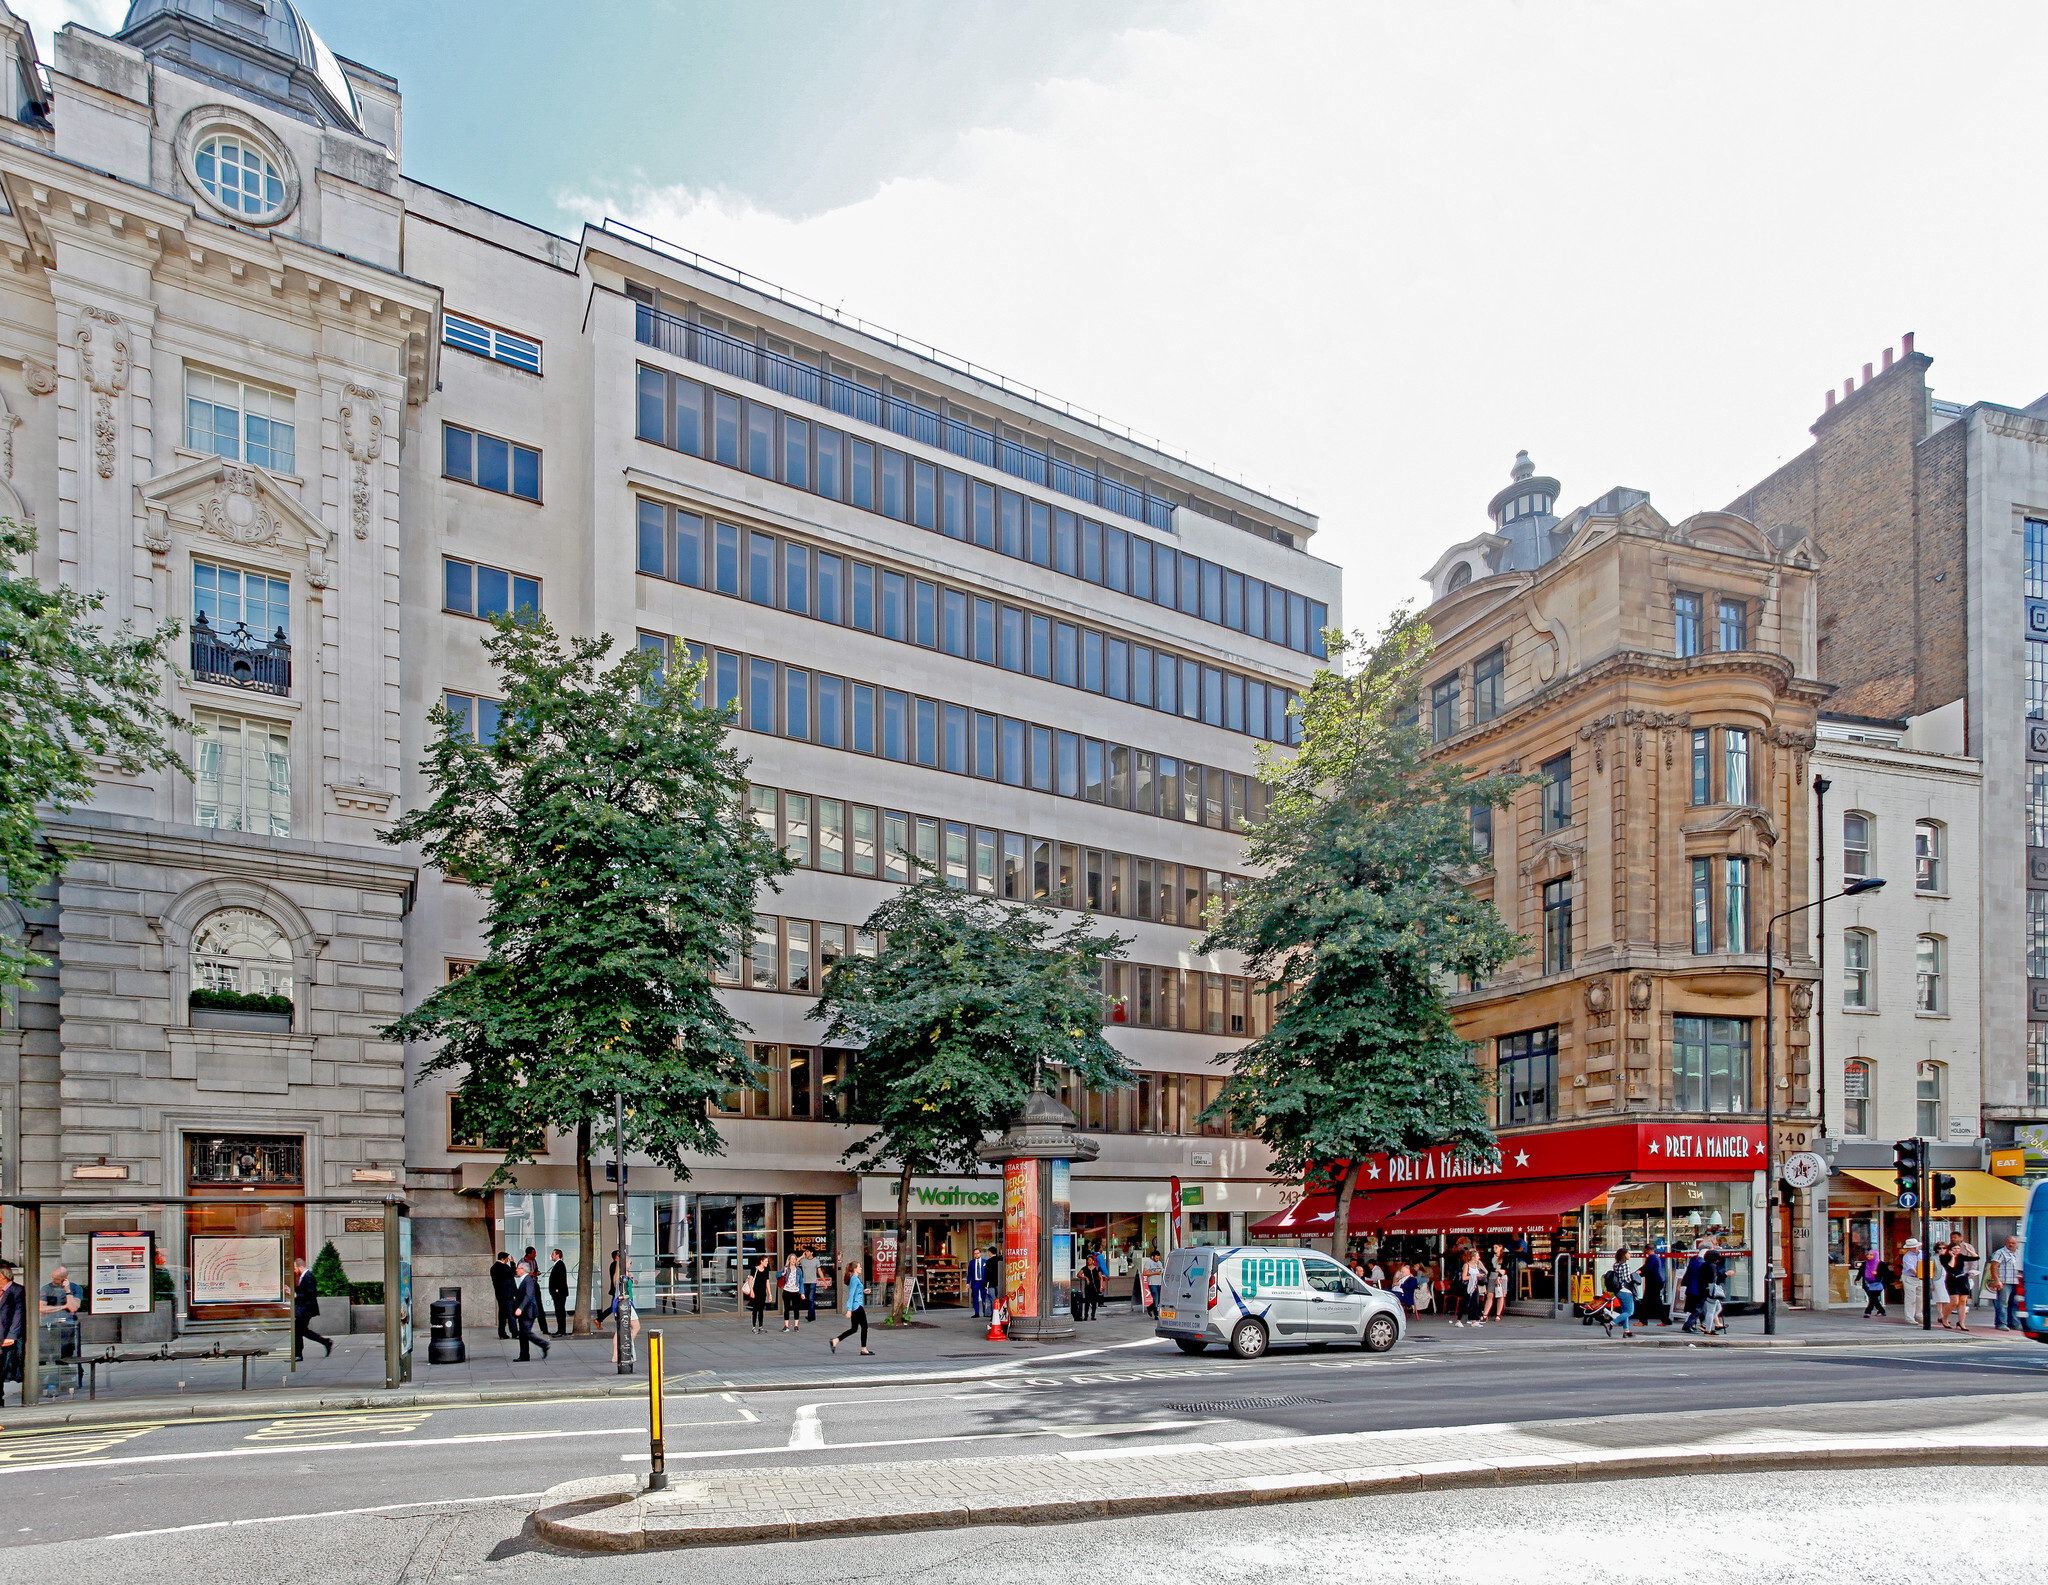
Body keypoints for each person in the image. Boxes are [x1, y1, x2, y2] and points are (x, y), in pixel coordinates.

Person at [292, 1255, 332, 1360]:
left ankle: (298, 1355)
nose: (294, 1271)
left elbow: (311, 1294)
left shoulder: (308, 1276)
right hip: (304, 1309)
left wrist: (296, 1296)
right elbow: (303, 1292)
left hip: (307, 1309)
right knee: (301, 1330)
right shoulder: (303, 1277)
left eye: (294, 1268)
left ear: (300, 1267)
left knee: (298, 1330)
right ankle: (325, 1342)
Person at [832, 1258, 873, 1355]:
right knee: (864, 1327)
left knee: (854, 1329)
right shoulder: (854, 1279)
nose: (861, 1268)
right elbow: (851, 1294)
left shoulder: (855, 1278)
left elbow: (856, 1292)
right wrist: (849, 1310)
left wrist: (863, 1291)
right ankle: (863, 1349)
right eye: (859, 1267)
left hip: (856, 1306)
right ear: (855, 1269)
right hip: (857, 1306)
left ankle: (836, 1340)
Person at [513, 1259, 550, 1361]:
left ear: (523, 1269)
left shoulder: (528, 1280)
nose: (516, 1270)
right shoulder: (524, 1280)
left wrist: (520, 1308)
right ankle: (524, 1355)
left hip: (529, 1311)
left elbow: (528, 1296)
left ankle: (544, 1344)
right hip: (525, 1311)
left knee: (526, 1332)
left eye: (518, 1268)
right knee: (523, 1334)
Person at [0, 1261, 26, 1407]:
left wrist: (11, 1336)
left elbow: (18, 1313)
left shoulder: (17, 1290)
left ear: (3, 1276)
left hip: (5, 1337)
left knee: (1, 1369)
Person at [1941, 1236, 1977, 1330]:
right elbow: (1951, 1267)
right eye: (1954, 1248)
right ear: (1950, 1249)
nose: (1956, 1250)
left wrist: (1968, 1250)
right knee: (1954, 1301)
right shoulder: (1944, 1257)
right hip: (1952, 1279)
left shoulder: (1961, 1256)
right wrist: (1953, 1257)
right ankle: (1944, 1318)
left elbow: (1976, 1258)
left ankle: (1962, 1322)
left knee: (1963, 1301)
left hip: (1962, 1279)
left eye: (1958, 1249)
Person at [1991, 1235, 2024, 1331]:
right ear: (2006, 1243)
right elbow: (1994, 1267)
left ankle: (2013, 1323)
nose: (2010, 1244)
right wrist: (1997, 1280)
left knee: (2015, 1303)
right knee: (2002, 1304)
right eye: (2009, 1242)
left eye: (2013, 1243)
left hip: (2016, 1282)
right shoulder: (2000, 1253)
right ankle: (2001, 1323)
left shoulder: (2018, 1254)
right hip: (2005, 1282)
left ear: (2017, 1244)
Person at [1606, 1250, 1639, 1338]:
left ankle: (1626, 1331)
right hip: (1625, 1290)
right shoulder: (1626, 1266)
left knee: (1624, 1311)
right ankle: (1612, 1323)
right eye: (1628, 1253)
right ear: (1624, 1255)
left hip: (1617, 1291)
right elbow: (1627, 1279)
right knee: (1629, 1312)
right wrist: (1635, 1278)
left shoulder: (1616, 1265)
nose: (1630, 1255)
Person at [1697, 1244, 1728, 1335]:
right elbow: (1715, 1279)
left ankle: (1705, 1324)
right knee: (1711, 1311)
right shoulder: (1713, 1266)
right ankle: (1708, 1330)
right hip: (1711, 1290)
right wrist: (1725, 1274)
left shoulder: (1704, 1265)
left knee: (1717, 1308)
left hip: (1704, 1289)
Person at [489, 1251, 518, 1340]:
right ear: (503, 1258)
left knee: (502, 1314)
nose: (507, 1260)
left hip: (500, 1295)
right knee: (511, 1314)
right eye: (506, 1259)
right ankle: (514, 1332)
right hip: (507, 1295)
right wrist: (512, 1263)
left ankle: (502, 1333)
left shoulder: (493, 1268)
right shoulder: (504, 1267)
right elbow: (513, 1273)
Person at [1639, 1241, 1670, 1326]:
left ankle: (1643, 1321)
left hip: (1653, 1283)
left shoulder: (1652, 1257)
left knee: (1647, 1303)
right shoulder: (1655, 1257)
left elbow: (1647, 1269)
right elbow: (1645, 1268)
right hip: (1656, 1282)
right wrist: (1639, 1271)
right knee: (1655, 1302)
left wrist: (1639, 1273)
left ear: (1647, 1250)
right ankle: (1666, 1320)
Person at [744, 1254, 771, 1334]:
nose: (767, 1263)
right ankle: (753, 1327)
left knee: (761, 1310)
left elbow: (767, 1282)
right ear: (761, 1262)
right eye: (766, 1261)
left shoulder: (766, 1270)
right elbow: (750, 1280)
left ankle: (760, 1327)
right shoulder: (754, 1269)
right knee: (755, 1309)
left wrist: (770, 1294)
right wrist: (751, 1291)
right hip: (755, 1292)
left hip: (763, 1292)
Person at [1859, 1249, 1890, 1317]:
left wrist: (1877, 1273)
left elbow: (1886, 1274)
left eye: (1871, 1255)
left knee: (1873, 1298)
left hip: (1878, 1284)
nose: (1868, 1256)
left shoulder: (1881, 1264)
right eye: (1868, 1254)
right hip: (1867, 1283)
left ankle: (1868, 1311)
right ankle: (1881, 1311)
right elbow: (1861, 1272)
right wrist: (1857, 1279)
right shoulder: (1865, 1263)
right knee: (1873, 1298)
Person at [546, 1248, 570, 1336]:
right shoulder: (557, 1264)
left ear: (558, 1255)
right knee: (559, 1311)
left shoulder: (560, 1265)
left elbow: (561, 1279)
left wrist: (557, 1290)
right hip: (558, 1293)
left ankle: (561, 1331)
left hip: (559, 1293)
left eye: (553, 1254)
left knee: (560, 1312)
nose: (551, 1256)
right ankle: (560, 1330)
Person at [779, 1253, 804, 1333]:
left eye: (795, 1259)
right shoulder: (785, 1268)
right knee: (786, 1309)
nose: (793, 1260)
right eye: (792, 1259)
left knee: (796, 1309)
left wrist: (802, 1293)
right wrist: (783, 1273)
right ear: (789, 1260)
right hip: (787, 1291)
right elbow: (777, 1276)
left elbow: (801, 1282)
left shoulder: (799, 1270)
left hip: (795, 1291)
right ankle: (786, 1326)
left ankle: (796, 1326)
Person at [1901, 1238, 1925, 1322]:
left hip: (1920, 1278)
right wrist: (1919, 1275)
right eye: (1912, 1247)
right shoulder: (1907, 1257)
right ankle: (1909, 1317)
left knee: (1920, 1298)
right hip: (1910, 1278)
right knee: (1911, 1298)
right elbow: (1911, 1269)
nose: (1915, 1248)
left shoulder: (1922, 1253)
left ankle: (1919, 1314)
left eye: (1916, 1246)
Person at [799, 1245, 822, 1323]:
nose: (806, 1252)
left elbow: (819, 1271)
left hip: (812, 1282)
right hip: (805, 1282)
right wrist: (801, 1256)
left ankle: (810, 1316)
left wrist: (824, 1281)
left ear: (812, 1253)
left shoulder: (816, 1260)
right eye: (806, 1251)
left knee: (810, 1299)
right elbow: (794, 1263)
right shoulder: (803, 1260)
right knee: (809, 1300)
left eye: (808, 1251)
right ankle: (812, 1315)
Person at [968, 1245, 992, 1318]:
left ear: (980, 1254)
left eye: (977, 1253)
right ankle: (977, 1313)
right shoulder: (971, 1262)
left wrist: (987, 1282)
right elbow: (969, 1273)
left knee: (984, 1297)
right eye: (975, 1253)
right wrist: (967, 1282)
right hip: (975, 1282)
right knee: (975, 1298)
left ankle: (985, 1312)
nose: (976, 1255)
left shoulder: (985, 1262)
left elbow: (988, 1273)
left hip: (983, 1282)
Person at [1140, 1248, 1164, 1318]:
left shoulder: (1159, 1263)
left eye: (1158, 1258)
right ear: (1153, 1257)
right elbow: (1145, 1273)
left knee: (1159, 1298)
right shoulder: (1149, 1263)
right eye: (1156, 1258)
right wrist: (1155, 1273)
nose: (1157, 1260)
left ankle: (1150, 1307)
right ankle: (1156, 1314)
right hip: (1152, 1283)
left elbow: (1161, 1271)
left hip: (1159, 1282)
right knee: (1155, 1297)